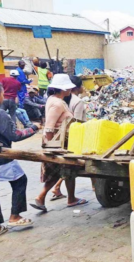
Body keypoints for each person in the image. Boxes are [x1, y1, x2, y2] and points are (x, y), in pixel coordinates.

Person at [30, 74, 88, 212]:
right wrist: (51, 146)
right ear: (63, 89)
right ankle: (43, 197)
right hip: (57, 143)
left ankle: (69, 198)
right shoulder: (57, 103)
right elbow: (49, 127)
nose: (70, 90)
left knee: (67, 170)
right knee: (63, 170)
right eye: (68, 88)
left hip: (60, 142)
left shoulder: (53, 99)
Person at [0, 81, 39, 237]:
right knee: (20, 181)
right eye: (1, 93)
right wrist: (33, 128)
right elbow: (14, 135)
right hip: (1, 157)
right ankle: (15, 216)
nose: (2, 96)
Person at [51, 75, 87, 200]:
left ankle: (61, 191)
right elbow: (76, 122)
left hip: (62, 138)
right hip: (71, 138)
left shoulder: (58, 99)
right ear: (77, 87)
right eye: (82, 85)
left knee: (66, 166)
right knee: (70, 166)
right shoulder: (76, 101)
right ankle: (56, 189)